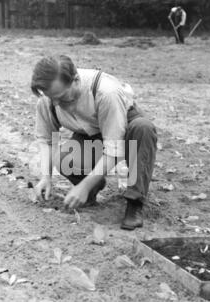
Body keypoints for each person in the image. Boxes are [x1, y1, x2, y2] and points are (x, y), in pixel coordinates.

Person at [31, 56, 157, 231]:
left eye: (61, 97)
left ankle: (134, 203)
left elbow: (114, 148)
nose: (57, 103)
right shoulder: (50, 99)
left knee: (143, 128)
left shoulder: (106, 92)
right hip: (92, 133)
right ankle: (93, 188)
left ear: (75, 80)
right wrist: (46, 177)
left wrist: (83, 186)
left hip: (126, 131)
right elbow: (47, 139)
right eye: (53, 98)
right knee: (66, 159)